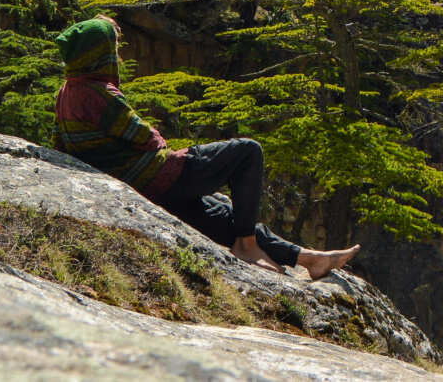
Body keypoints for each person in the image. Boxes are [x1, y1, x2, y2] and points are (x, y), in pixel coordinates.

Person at [52, 15, 360, 278]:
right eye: (113, 48)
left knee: (226, 215)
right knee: (248, 151)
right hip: (158, 177)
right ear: (100, 54)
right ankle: (247, 246)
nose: (117, 56)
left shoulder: (66, 93)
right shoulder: (98, 92)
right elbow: (144, 136)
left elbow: (61, 145)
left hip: (145, 190)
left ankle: (309, 259)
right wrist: (160, 144)